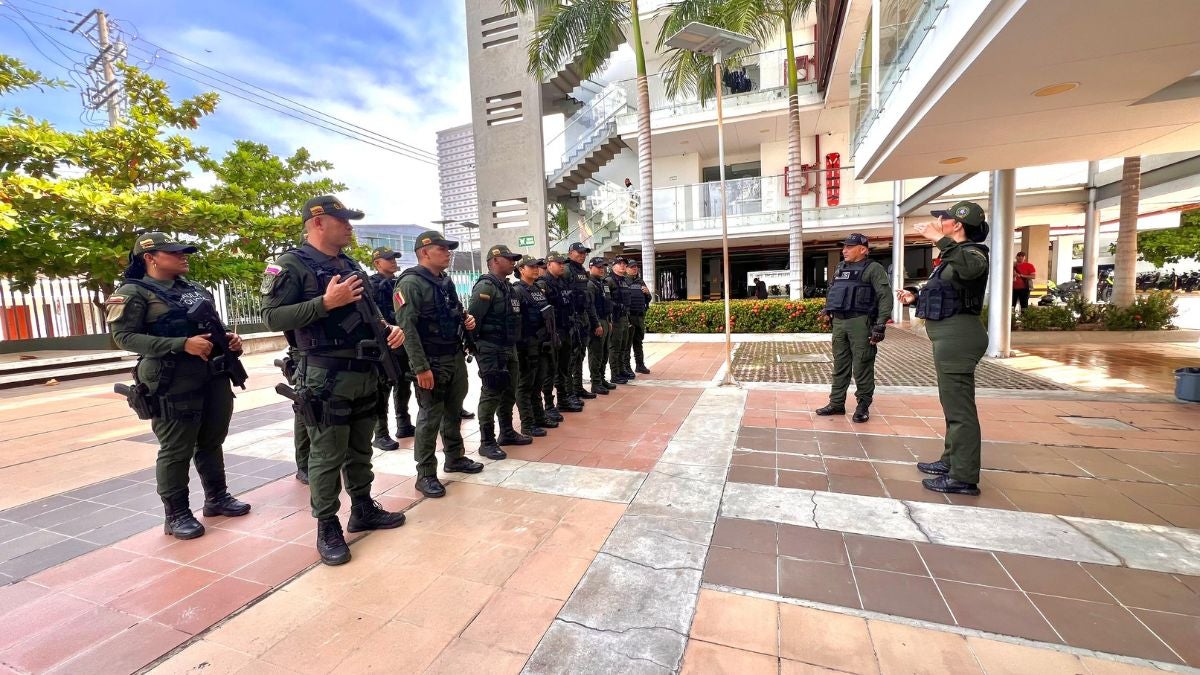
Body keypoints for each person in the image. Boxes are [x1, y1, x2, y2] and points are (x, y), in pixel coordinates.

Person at [261, 196, 407, 565]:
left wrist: (388, 328)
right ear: (319, 222)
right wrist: (326, 303)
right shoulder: (289, 265)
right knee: (327, 456)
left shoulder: (347, 263)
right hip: (324, 373)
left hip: (363, 370)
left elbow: (367, 311)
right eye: (343, 219)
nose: (350, 226)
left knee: (360, 448)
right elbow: (271, 318)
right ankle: (327, 526)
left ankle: (362, 508)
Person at [109, 232, 251, 541]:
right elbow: (123, 337)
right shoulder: (134, 292)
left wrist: (228, 338)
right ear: (150, 257)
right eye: (175, 252)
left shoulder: (194, 288)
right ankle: (176, 514)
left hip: (212, 374)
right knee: (176, 448)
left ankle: (217, 498)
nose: (184, 256)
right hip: (170, 378)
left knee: (211, 440)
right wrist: (180, 344)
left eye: (184, 251)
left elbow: (211, 324)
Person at [897, 200, 990, 496]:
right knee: (952, 405)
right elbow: (946, 293)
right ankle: (952, 461)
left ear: (957, 225)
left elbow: (973, 269)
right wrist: (914, 298)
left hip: (959, 336)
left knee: (960, 409)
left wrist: (938, 239)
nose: (939, 223)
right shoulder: (953, 255)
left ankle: (963, 476)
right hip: (949, 336)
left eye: (944, 220)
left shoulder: (971, 253)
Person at [394, 230, 485, 499]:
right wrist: (421, 367)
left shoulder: (444, 281)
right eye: (442, 248)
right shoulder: (410, 283)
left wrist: (466, 320)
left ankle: (454, 457)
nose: (448, 253)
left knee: (454, 411)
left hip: (453, 356)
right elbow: (407, 329)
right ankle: (425, 474)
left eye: (449, 249)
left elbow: (453, 310)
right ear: (424, 252)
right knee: (429, 418)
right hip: (431, 360)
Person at [817, 233, 893, 423]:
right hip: (839, 322)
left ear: (863, 250)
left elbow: (885, 297)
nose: (844, 250)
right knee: (840, 365)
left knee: (862, 365)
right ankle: (836, 404)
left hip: (860, 322)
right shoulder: (840, 267)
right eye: (844, 247)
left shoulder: (873, 269)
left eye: (849, 247)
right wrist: (828, 309)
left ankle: (862, 406)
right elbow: (833, 291)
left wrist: (880, 324)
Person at [469, 244, 531, 459]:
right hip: (490, 348)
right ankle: (486, 441)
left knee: (509, 391)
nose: (513, 261)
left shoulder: (507, 287)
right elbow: (473, 321)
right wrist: (478, 349)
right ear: (495, 261)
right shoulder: (486, 287)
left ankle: (506, 432)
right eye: (508, 258)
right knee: (491, 392)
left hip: (508, 346)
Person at [366, 246, 414, 451]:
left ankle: (403, 423)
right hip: (383, 344)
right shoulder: (371, 285)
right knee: (382, 388)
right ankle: (381, 432)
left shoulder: (398, 283)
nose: (394, 261)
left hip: (401, 341)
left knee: (404, 384)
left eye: (395, 258)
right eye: (389, 259)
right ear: (377, 263)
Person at [513, 256, 555, 436]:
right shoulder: (517, 291)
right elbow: (517, 321)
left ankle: (539, 417)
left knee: (538, 382)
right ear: (521, 269)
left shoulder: (538, 289)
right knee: (525, 385)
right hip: (527, 345)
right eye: (531, 267)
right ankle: (527, 423)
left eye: (537, 266)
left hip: (542, 343)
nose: (536, 269)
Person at [538, 252, 572, 420]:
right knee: (550, 369)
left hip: (565, 329)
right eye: (558, 263)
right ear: (549, 264)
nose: (562, 265)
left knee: (563, 367)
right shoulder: (543, 284)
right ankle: (549, 405)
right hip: (553, 332)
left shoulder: (562, 281)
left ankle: (563, 399)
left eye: (562, 263)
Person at [565, 243, 597, 404]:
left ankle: (577, 387)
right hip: (572, 318)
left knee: (580, 355)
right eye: (580, 252)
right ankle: (569, 392)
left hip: (582, 317)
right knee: (571, 357)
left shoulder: (582, 272)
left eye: (585, 253)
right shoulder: (566, 269)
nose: (583, 255)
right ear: (571, 253)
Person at [587, 256, 615, 394]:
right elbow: (590, 306)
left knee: (605, 352)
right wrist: (596, 324)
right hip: (596, 322)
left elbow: (608, 303)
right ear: (590, 268)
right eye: (598, 267)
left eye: (602, 267)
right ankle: (595, 382)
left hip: (605, 320)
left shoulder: (603, 283)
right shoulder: (590, 284)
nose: (601, 269)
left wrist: (609, 321)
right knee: (596, 353)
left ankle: (602, 379)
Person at [607, 257, 633, 382]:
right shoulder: (609, 281)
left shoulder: (624, 280)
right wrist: (616, 307)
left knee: (624, 346)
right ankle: (615, 374)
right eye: (619, 264)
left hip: (624, 317)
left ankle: (622, 370)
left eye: (624, 264)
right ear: (613, 266)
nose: (623, 266)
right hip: (615, 317)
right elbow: (607, 300)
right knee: (615, 347)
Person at [625, 259, 652, 375]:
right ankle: (627, 367)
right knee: (627, 344)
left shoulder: (640, 281)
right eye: (632, 267)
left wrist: (647, 293)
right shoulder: (624, 281)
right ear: (626, 269)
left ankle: (640, 365)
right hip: (629, 317)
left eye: (636, 267)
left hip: (639, 316)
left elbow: (648, 298)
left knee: (638, 342)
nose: (634, 268)